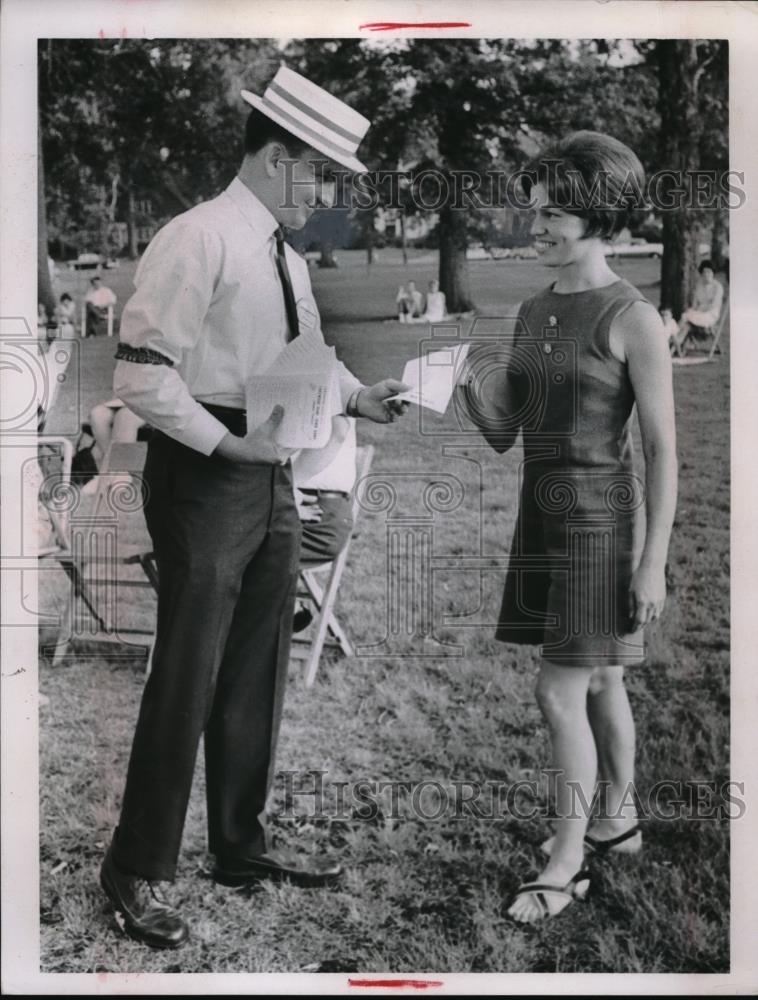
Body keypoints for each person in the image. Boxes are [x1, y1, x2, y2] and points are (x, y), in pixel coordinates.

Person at [102, 64, 408, 950]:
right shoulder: (196, 238)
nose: (331, 194)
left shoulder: (283, 253)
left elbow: (304, 358)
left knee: (255, 671)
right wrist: (230, 446)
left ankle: (240, 846)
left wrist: (357, 397)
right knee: (188, 673)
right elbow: (140, 376)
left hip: (272, 468)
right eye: (324, 175)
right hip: (205, 472)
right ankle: (135, 868)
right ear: (279, 158)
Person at [458, 131, 677, 923]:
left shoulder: (632, 316)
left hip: (601, 523)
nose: (536, 226)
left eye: (553, 213)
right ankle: (617, 820)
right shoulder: (532, 308)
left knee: (560, 692)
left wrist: (652, 564)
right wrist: (457, 383)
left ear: (598, 214)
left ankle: (566, 858)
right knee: (603, 677)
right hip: (539, 515)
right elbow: (503, 429)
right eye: (535, 211)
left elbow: (661, 453)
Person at [291, 415, 357, 632]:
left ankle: (281, 609)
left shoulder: (333, 384)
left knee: (235, 550)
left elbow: (337, 430)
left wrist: (287, 490)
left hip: (320, 512)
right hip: (284, 502)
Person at [672, 260, 724, 353]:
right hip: (698, 313)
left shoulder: (718, 287)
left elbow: (714, 305)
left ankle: (671, 336)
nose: (706, 274)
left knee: (686, 317)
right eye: (704, 272)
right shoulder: (699, 285)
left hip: (710, 315)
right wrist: (691, 310)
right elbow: (695, 304)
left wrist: (696, 311)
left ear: (713, 273)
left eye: (709, 272)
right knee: (686, 319)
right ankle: (676, 342)